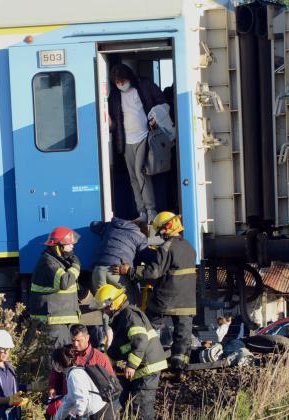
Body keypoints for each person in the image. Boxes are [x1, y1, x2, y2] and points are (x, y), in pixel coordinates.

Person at [95, 284, 167, 420]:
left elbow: (140, 340)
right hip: (142, 366)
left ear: (113, 303)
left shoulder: (129, 315)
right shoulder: (121, 317)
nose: (104, 312)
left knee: (140, 406)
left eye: (105, 308)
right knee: (128, 403)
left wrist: (131, 365)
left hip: (147, 366)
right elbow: (122, 347)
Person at [108, 63, 168, 223]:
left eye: (123, 81)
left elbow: (163, 101)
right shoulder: (114, 96)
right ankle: (141, 211)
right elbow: (114, 123)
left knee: (140, 172)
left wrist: (157, 117)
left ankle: (151, 210)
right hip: (126, 140)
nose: (121, 85)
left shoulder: (144, 85)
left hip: (145, 136)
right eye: (117, 82)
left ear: (129, 78)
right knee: (133, 177)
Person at [137, 211, 197, 370]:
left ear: (168, 227)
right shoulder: (189, 247)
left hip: (165, 299)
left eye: (161, 230)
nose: (160, 234)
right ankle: (179, 368)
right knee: (183, 336)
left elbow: (153, 273)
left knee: (149, 328)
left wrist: (129, 271)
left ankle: (147, 361)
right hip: (187, 301)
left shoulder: (166, 247)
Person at [29, 227, 82, 349]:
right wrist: (76, 266)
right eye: (69, 245)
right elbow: (65, 282)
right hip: (54, 321)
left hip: (62, 320)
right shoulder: (48, 262)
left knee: (68, 355)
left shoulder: (57, 261)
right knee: (58, 358)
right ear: (58, 247)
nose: (72, 247)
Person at [47, 324, 115, 417]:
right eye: (73, 340)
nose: (75, 344)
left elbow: (110, 383)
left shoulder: (100, 358)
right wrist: (53, 386)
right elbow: (57, 371)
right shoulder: (67, 353)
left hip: (93, 409)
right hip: (70, 405)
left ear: (87, 338)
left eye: (79, 340)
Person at [90, 217, 150, 306]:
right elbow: (147, 258)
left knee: (104, 306)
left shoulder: (112, 226)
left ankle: (107, 320)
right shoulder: (140, 236)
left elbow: (93, 225)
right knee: (130, 301)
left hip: (98, 271)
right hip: (116, 271)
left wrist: (108, 226)